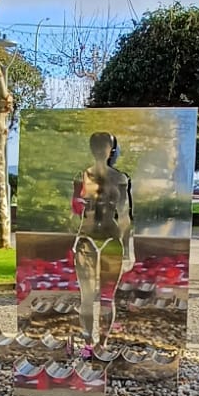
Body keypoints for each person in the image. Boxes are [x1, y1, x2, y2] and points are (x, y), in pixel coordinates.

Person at [71, 131, 134, 346]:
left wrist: (128, 249)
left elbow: (124, 215)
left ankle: (101, 344)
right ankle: (89, 343)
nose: (101, 150)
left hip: (109, 238)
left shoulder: (119, 178)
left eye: (104, 146)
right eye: (98, 146)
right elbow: (73, 214)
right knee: (87, 298)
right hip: (87, 238)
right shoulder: (81, 177)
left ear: (110, 150)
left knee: (106, 297)